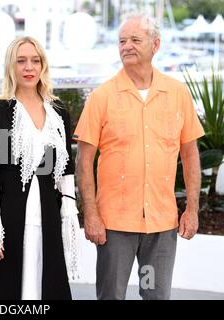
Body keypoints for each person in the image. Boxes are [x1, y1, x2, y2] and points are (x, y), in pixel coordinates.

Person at [74, 14, 204, 300]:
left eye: (135, 40)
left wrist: (192, 209)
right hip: (114, 225)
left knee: (155, 296)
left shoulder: (178, 94)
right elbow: (84, 161)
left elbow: (190, 156)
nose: (126, 46)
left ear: (155, 45)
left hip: (161, 224)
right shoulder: (102, 97)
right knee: (111, 296)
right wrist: (91, 214)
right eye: (122, 41)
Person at [0, 36, 81, 300]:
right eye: (21, 61)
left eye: (35, 60)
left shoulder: (58, 110)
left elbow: (63, 170)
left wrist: (69, 217)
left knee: (46, 285)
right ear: (10, 66)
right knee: (7, 289)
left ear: (43, 65)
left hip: (48, 215)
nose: (29, 67)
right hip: (8, 215)